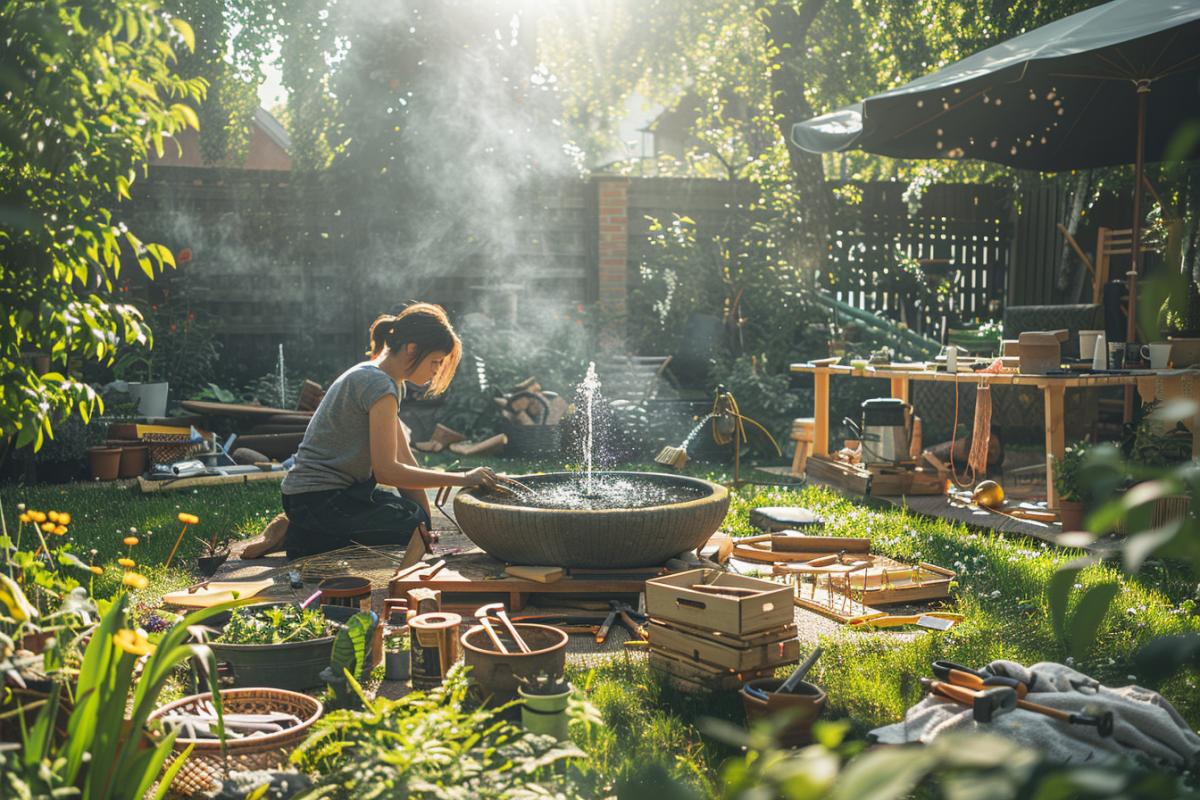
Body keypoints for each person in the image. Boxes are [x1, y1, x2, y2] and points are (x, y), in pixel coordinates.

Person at [244, 302, 498, 560]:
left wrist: (423, 520)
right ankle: (297, 537)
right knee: (407, 525)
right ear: (412, 349)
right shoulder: (377, 384)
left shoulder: (387, 381)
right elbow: (386, 471)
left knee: (414, 519)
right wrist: (463, 479)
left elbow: (403, 457)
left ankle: (302, 529)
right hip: (316, 499)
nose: (435, 371)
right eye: (435, 362)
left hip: (334, 495)